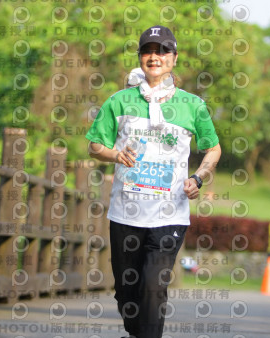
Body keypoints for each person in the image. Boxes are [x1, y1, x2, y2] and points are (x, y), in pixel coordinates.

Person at [86, 25, 221, 338]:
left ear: (174, 58)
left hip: (169, 215)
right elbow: (94, 146)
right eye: (148, 50)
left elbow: (213, 149)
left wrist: (198, 178)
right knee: (127, 292)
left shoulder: (192, 105)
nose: (155, 56)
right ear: (140, 57)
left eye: (162, 51)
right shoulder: (119, 101)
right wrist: (115, 154)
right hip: (125, 213)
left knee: (153, 285)